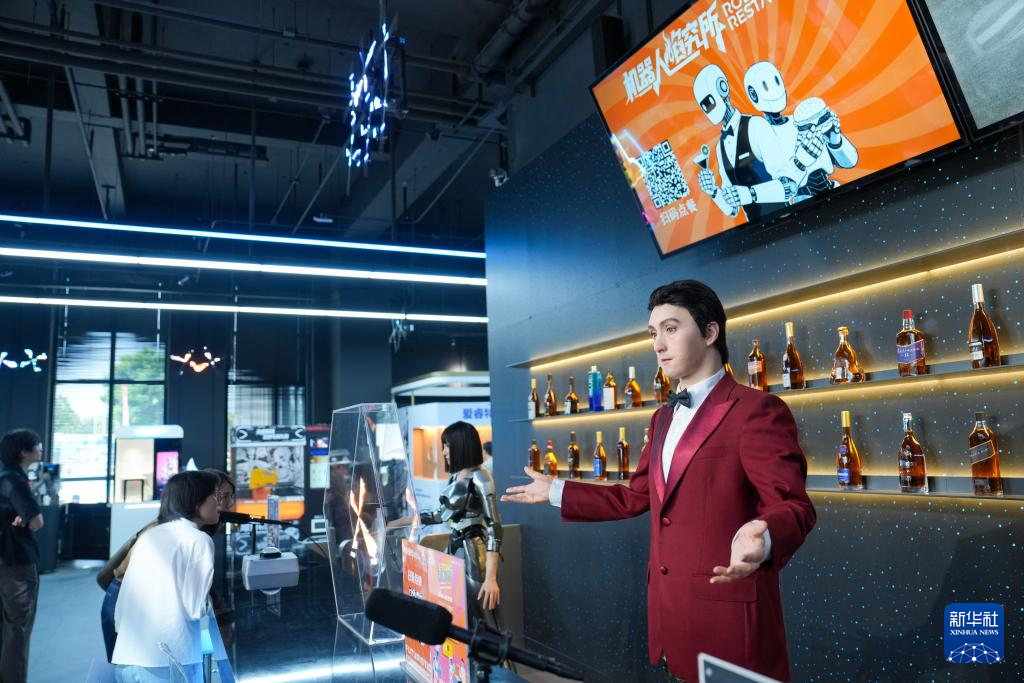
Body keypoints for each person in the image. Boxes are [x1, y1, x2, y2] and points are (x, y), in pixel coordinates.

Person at [503, 280, 816, 682]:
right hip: (671, 618)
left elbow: (794, 506)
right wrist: (557, 491)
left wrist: (764, 533)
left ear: (709, 332)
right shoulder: (662, 418)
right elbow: (635, 496)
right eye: (653, 333)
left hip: (729, 621)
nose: (658, 344)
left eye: (671, 328)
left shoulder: (757, 410)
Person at [99, 468, 237, 661]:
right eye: (219, 496)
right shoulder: (197, 538)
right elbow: (194, 608)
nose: (226, 503)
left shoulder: (159, 532)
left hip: (131, 645)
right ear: (196, 499)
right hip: (162, 644)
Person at [419, 422, 502, 629]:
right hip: (454, 548)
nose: (444, 452)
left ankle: (491, 651)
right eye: (444, 446)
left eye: (447, 445)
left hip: (474, 551)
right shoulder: (455, 477)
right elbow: (440, 515)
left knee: (483, 617)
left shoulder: (481, 478)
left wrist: (491, 578)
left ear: (461, 445)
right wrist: (401, 520)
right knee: (451, 609)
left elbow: (494, 528)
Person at [0, 429, 45, 683]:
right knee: (18, 629)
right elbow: (37, 522)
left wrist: (21, 517)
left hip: (4, 561)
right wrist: (26, 518)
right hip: (17, 563)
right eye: (37, 445)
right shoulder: (15, 481)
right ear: (24, 452)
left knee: (6, 627)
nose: (40, 449)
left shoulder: (3, 478)